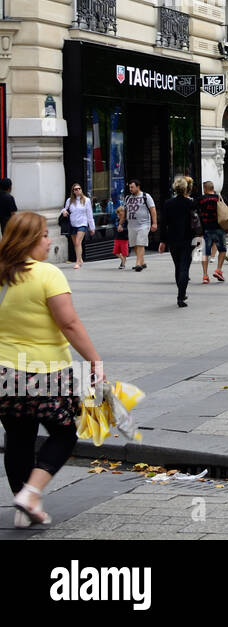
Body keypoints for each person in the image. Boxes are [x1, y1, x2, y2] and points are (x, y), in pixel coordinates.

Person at [0, 212, 104, 527]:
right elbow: (69, 323)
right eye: (45, 235)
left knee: (18, 435)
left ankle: (23, 508)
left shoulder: (3, 274)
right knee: (64, 434)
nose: (49, 241)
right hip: (43, 373)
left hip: (4, 373)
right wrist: (94, 360)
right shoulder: (47, 274)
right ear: (31, 240)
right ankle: (31, 493)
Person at [158, 176, 198, 307]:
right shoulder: (191, 203)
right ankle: (181, 295)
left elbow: (163, 223)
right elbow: (197, 221)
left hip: (173, 239)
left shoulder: (168, 203)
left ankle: (181, 292)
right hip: (188, 239)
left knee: (177, 266)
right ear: (186, 188)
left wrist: (162, 241)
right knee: (184, 267)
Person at [197, 180, 227, 283]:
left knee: (205, 253)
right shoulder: (219, 198)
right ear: (212, 188)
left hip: (206, 229)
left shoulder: (201, 199)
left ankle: (205, 276)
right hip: (219, 228)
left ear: (205, 188)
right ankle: (218, 269)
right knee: (222, 250)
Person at [59, 183, 94, 269]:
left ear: (81, 190)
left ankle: (78, 262)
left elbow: (90, 214)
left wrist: (92, 227)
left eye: (79, 188)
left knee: (78, 242)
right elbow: (64, 209)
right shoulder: (69, 200)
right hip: (72, 224)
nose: (78, 190)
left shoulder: (87, 200)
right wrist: (63, 211)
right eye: (76, 189)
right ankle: (80, 259)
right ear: (73, 191)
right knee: (76, 244)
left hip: (82, 223)